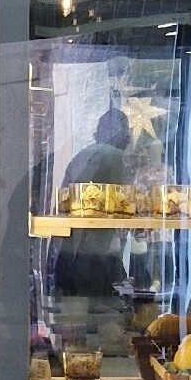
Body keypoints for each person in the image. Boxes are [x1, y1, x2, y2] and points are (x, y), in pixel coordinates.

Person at [53, 109, 132, 297]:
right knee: (97, 308)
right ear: (124, 136)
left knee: (74, 308)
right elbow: (122, 204)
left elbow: (64, 202)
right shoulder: (115, 157)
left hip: (68, 251)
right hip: (94, 253)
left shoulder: (81, 156)